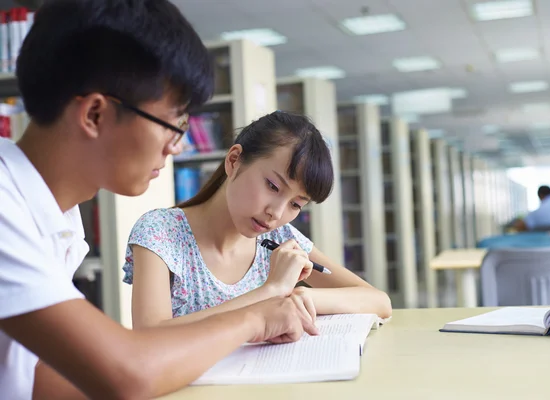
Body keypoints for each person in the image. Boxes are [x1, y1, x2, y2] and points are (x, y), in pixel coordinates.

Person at [0, 1, 317, 399]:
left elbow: (33, 376)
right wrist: (255, 319)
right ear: (95, 115)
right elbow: (127, 376)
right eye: (173, 124)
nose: (178, 146)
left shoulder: (57, 213)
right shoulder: (4, 208)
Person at [123, 111, 393, 330]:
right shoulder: (161, 232)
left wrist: (302, 296)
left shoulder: (280, 240)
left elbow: (378, 301)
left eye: (296, 204)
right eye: (273, 187)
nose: (276, 213)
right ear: (234, 160)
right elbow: (150, 335)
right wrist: (271, 292)